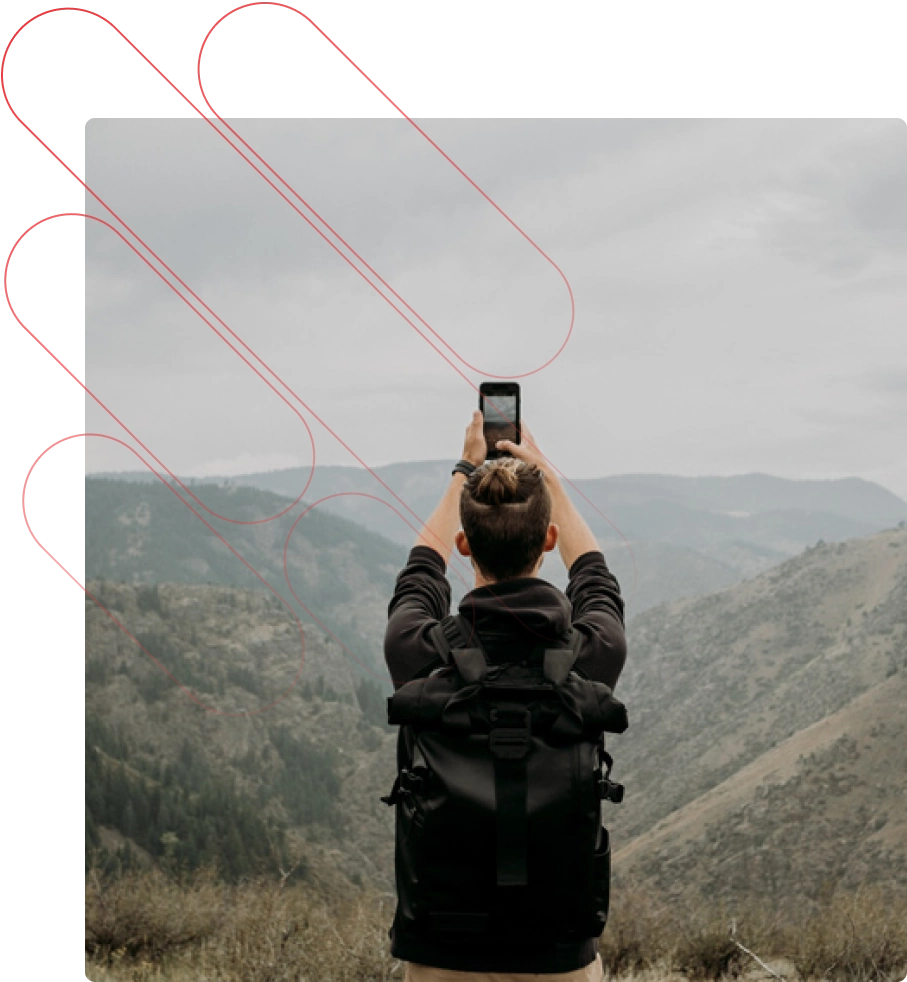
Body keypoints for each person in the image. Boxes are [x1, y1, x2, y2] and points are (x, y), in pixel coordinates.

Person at [384, 410, 628, 982]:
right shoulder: (592, 656)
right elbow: (594, 576)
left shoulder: (418, 653)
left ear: (465, 545)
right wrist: (548, 478)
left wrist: (463, 470)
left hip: (441, 950)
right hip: (559, 952)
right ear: (548, 539)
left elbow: (421, 572)